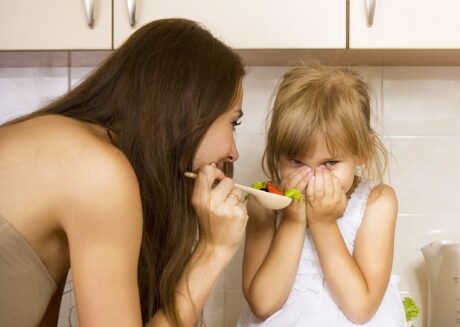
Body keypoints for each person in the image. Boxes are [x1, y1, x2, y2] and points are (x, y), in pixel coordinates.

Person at [0, 18, 248, 327]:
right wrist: (213, 250)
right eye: (233, 122)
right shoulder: (98, 172)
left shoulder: (64, 145)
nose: (233, 152)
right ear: (189, 109)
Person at [237, 63, 406, 326]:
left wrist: (323, 223)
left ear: (362, 151)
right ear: (277, 152)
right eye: (296, 161)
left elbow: (360, 309)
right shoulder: (265, 203)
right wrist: (293, 222)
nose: (313, 178)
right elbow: (263, 304)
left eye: (330, 163)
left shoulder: (377, 202)